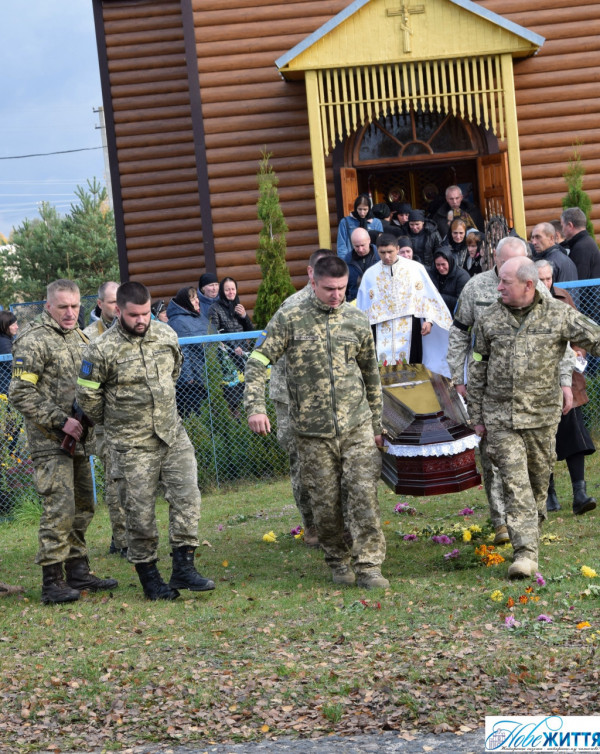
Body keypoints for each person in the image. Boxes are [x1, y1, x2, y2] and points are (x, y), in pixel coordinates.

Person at [245, 256, 389, 589]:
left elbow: (371, 375)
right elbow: (257, 362)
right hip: (312, 432)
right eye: (329, 289)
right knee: (325, 505)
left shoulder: (356, 320)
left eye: (341, 289)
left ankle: (369, 566)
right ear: (314, 282)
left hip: (356, 425)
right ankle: (338, 560)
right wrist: (255, 406)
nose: (336, 295)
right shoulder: (290, 318)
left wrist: (378, 427)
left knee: (364, 496)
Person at [76, 281, 215, 601]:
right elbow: (86, 395)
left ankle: (184, 566)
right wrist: (115, 422)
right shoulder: (99, 349)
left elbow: (174, 372)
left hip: (171, 434)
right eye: (134, 315)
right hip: (130, 442)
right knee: (138, 513)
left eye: (146, 313)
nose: (141, 320)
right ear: (118, 311)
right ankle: (150, 578)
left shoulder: (165, 335)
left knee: (187, 496)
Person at [468, 257, 600, 579]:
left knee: (539, 484)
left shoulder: (558, 314)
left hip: (542, 417)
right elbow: (478, 367)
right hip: (500, 418)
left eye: (505, 282)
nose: (497, 287)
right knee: (516, 483)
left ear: (528, 285)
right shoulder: (488, 319)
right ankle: (525, 554)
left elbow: (594, 337)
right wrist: (476, 415)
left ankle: (531, 522)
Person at [447, 236, 574, 545]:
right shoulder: (476, 288)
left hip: (534, 392)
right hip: (491, 389)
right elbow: (460, 332)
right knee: (494, 458)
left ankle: (531, 518)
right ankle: (502, 520)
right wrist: (457, 376)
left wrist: (565, 379)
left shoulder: (534, 286)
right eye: (506, 263)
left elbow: (560, 336)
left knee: (535, 463)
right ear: (496, 258)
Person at [9, 279, 118, 605]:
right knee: (59, 509)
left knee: (84, 505)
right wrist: (60, 421)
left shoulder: (81, 336)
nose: (70, 313)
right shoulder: (33, 340)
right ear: (48, 307)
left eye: (75, 306)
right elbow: (20, 392)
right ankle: (52, 582)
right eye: (63, 307)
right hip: (51, 441)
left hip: (80, 439)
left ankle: (78, 570)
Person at [268, 248, 336, 547]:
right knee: (302, 463)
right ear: (311, 273)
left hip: (332, 398)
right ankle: (311, 527)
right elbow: (268, 354)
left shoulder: (341, 306)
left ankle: (337, 524)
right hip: (294, 399)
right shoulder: (290, 308)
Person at [535, 260, 596, 516]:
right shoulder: (522, 304)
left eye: (549, 279)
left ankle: (579, 493)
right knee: (542, 440)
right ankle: (549, 495)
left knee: (574, 435)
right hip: (538, 384)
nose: (546, 284)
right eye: (541, 279)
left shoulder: (563, 297)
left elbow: (578, 333)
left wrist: (579, 352)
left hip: (568, 380)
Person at [356, 233, 452, 376]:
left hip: (410, 326)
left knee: (412, 368)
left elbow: (426, 296)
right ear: (377, 251)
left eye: (390, 252)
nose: (387, 256)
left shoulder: (414, 268)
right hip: (381, 329)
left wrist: (429, 320)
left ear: (397, 248)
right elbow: (363, 306)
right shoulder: (370, 274)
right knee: (383, 370)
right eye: (382, 253)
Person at [83, 281, 128, 559]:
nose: (118, 306)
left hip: (133, 420)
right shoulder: (87, 337)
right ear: (100, 304)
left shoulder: (134, 330)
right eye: (113, 302)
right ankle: (124, 542)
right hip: (105, 423)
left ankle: (120, 536)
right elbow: (85, 386)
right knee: (115, 480)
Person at [209, 277, 255, 418]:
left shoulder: (238, 306)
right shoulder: (214, 308)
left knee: (247, 390)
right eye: (227, 289)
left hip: (243, 354)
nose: (231, 292)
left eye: (233, 289)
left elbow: (249, 330)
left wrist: (244, 316)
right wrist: (233, 349)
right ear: (222, 291)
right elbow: (215, 333)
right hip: (227, 356)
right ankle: (235, 424)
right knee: (232, 395)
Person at [167, 286, 210, 417]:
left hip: (208, 373)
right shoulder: (178, 322)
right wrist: (188, 379)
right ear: (185, 302)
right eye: (193, 299)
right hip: (193, 382)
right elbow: (182, 352)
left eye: (197, 297)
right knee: (195, 416)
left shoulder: (199, 316)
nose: (197, 301)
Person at [336, 194, 383, 261]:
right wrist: (344, 261)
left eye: (365, 209)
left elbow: (380, 244)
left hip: (372, 260)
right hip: (351, 259)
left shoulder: (376, 223)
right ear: (355, 208)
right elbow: (341, 244)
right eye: (360, 209)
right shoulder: (345, 222)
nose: (362, 213)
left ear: (369, 208)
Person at [560, 207, 600, 280]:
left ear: (570, 225)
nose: (562, 230)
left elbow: (578, 282)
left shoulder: (582, 248)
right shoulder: (585, 242)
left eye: (562, 226)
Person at [428, 247, 470, 314]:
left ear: (449, 262)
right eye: (438, 265)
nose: (441, 268)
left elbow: (462, 303)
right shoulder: (433, 273)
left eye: (443, 264)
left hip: (455, 315)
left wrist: (439, 297)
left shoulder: (462, 277)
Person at [346, 227, 380, 302]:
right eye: (357, 246)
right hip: (355, 304)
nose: (360, 250)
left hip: (378, 303)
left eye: (362, 245)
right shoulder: (347, 261)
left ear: (369, 240)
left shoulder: (380, 257)